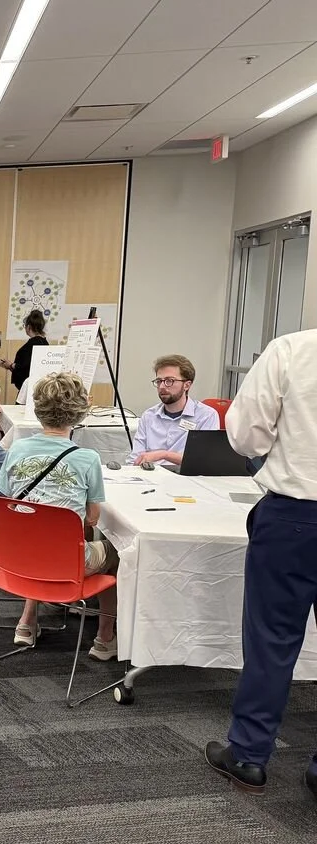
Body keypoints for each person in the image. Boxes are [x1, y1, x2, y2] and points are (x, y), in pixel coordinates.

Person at [205, 330, 317, 796]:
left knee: (272, 640)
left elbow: (246, 437)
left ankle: (250, 755)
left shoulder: (293, 349)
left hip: (295, 516)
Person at [0, 372, 119, 658]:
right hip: (66, 560)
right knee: (118, 552)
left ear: (38, 410)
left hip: (17, 557)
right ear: (79, 414)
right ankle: (104, 638)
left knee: (38, 535)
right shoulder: (87, 458)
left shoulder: (16, 449)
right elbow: (92, 517)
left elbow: (6, 500)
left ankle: (26, 624)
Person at [127, 354, 219, 468]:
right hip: (151, 477)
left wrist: (164, 455)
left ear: (187, 385)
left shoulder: (206, 416)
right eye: (159, 381)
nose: (162, 386)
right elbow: (135, 457)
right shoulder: (149, 416)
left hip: (186, 480)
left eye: (169, 381)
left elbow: (204, 461)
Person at [0, 310, 49, 393]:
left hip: (29, 389)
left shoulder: (33, 344)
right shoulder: (44, 342)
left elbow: (26, 366)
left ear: (28, 327)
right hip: (37, 388)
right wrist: (11, 366)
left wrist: (12, 365)